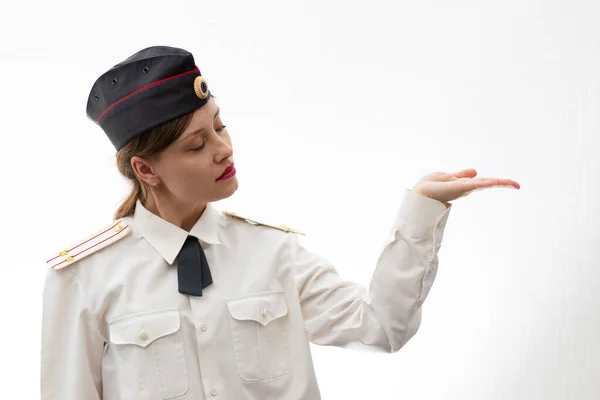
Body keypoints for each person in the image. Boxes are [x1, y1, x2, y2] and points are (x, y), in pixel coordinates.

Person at [40, 45, 520, 400]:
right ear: (146, 169)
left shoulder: (273, 254)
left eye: (220, 126)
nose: (224, 148)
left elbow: (381, 327)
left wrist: (422, 210)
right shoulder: (84, 279)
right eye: (196, 144)